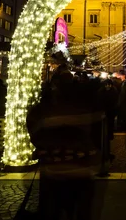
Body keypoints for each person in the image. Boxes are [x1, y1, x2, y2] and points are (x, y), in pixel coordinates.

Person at [27, 62, 106, 219]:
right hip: (82, 169)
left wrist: (45, 149)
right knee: (82, 211)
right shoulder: (84, 106)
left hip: (53, 169)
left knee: (54, 210)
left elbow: (34, 130)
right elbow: (98, 130)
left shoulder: (45, 109)